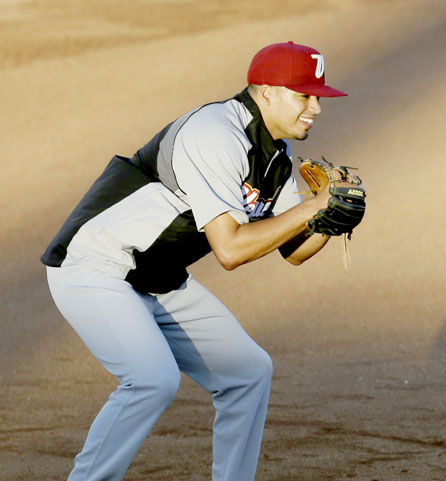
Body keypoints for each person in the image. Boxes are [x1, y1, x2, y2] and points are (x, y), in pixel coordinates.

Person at [41, 41, 348, 481]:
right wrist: (311, 208)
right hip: (95, 266)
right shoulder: (215, 134)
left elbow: (292, 251)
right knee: (152, 380)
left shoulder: (276, 156)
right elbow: (232, 250)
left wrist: (328, 220)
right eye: (304, 95)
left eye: (318, 96)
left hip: (157, 280)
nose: (316, 107)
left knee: (248, 372)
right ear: (265, 92)